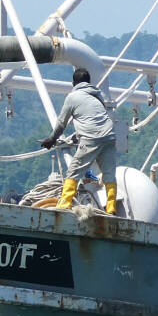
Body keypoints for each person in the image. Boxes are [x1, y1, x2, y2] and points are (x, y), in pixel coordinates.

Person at [40, 67, 118, 212]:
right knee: (109, 173)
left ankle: (64, 205)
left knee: (74, 171)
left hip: (91, 138)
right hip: (109, 136)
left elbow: (61, 123)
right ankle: (111, 207)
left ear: (73, 83)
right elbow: (93, 119)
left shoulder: (72, 97)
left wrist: (51, 139)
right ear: (88, 82)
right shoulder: (97, 96)